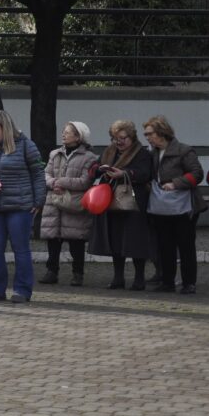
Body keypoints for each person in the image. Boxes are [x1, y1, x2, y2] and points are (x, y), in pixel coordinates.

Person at [0, 110, 46, 303]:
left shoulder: (25, 145)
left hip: (19, 206)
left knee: (20, 249)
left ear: (4, 127)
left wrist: (38, 200)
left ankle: (22, 290)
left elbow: (38, 173)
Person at [88, 120, 157, 290]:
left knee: (135, 241)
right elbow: (93, 168)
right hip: (111, 201)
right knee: (115, 240)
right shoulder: (110, 151)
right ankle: (118, 277)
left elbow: (145, 173)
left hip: (134, 202)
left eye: (122, 138)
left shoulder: (141, 153)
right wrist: (100, 168)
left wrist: (125, 173)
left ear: (131, 137)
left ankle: (139, 278)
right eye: (114, 138)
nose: (118, 142)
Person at [143, 116, 205, 294]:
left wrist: (176, 183)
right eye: (146, 134)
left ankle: (189, 283)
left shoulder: (184, 150)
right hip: (161, 206)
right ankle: (168, 281)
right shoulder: (153, 153)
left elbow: (197, 174)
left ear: (162, 132)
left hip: (183, 206)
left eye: (150, 134)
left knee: (185, 245)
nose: (147, 138)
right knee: (165, 245)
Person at [39, 122, 98, 286]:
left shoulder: (89, 157)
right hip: (55, 201)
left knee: (76, 242)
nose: (63, 135)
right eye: (63, 132)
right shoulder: (55, 154)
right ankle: (51, 271)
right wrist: (53, 184)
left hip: (74, 204)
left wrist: (61, 182)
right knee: (53, 239)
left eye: (67, 132)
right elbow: (46, 174)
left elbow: (85, 181)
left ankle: (78, 273)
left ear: (78, 136)